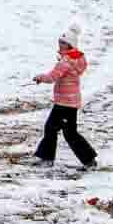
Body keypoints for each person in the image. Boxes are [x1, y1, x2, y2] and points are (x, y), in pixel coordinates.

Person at [30, 22, 95, 170]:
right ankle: (89, 160)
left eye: (63, 43)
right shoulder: (77, 58)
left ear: (70, 45)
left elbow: (53, 76)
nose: (60, 45)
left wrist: (40, 77)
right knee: (68, 132)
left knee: (52, 129)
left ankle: (47, 159)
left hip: (64, 103)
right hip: (71, 101)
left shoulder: (66, 61)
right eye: (60, 42)